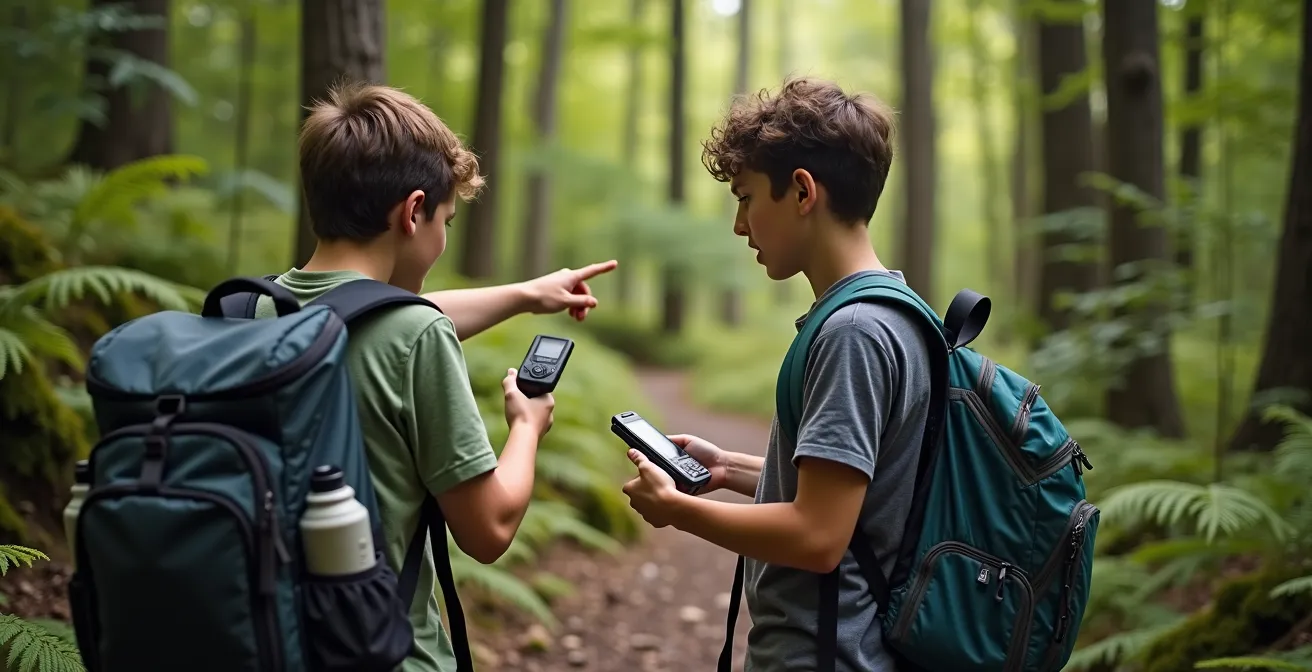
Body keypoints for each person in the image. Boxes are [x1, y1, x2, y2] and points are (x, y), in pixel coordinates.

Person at [255, 81, 617, 672]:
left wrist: (528, 293)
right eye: (445, 219)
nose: (444, 239)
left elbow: (368, 313)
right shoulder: (415, 339)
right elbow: (489, 530)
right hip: (382, 652)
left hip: (260, 640)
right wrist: (526, 428)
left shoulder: (250, 311)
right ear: (413, 210)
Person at [620, 77, 931, 671]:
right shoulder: (896, 311)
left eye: (745, 197)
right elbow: (860, 491)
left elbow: (818, 536)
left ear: (802, 192)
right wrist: (730, 469)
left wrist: (678, 510)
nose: (740, 225)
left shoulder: (853, 333)